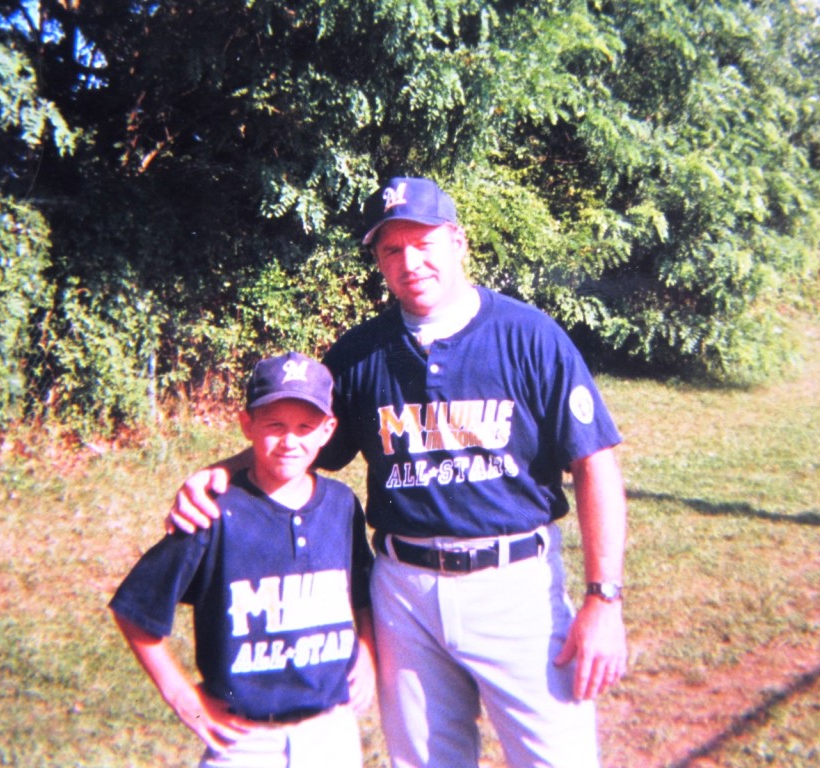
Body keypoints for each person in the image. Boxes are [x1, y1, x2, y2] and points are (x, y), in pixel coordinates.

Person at [170, 178, 628, 768]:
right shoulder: (360, 355)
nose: (410, 262)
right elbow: (303, 442)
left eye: (424, 242)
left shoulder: (527, 336)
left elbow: (595, 464)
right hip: (403, 593)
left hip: (515, 585)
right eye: (391, 250)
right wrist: (219, 474)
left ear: (458, 242)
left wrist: (603, 600)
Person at [110, 351, 376, 768]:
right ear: (246, 425)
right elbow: (135, 609)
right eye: (274, 425)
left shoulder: (341, 506)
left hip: (330, 731)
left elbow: (362, 589)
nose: (291, 441)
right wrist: (183, 698)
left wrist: (367, 649)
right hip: (245, 739)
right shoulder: (213, 512)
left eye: (305, 427)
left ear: (328, 430)